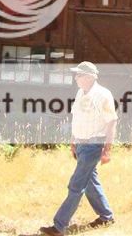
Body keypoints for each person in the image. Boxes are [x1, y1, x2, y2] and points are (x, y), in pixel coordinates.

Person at [40, 61, 118, 235]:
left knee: (76, 185)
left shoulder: (103, 95)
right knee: (90, 182)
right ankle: (106, 216)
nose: (76, 78)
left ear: (90, 77)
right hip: (82, 145)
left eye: (79, 75)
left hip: (93, 145)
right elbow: (77, 118)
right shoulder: (80, 93)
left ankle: (59, 226)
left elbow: (111, 121)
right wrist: (73, 141)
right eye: (76, 75)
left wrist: (108, 149)